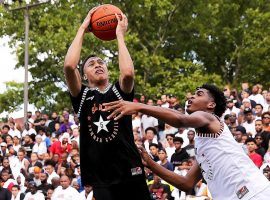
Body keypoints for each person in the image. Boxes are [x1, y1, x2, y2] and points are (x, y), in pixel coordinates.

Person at [103, 84, 270, 199]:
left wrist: (139, 106)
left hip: (252, 193)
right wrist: (149, 163)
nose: (191, 97)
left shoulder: (210, 118)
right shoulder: (203, 143)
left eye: (198, 94)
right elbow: (186, 183)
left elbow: (181, 120)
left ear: (211, 104)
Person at [63, 7, 150, 200]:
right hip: (100, 175)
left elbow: (128, 73)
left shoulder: (119, 91)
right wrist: (83, 27)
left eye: (101, 62)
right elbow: (69, 65)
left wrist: (119, 35)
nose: (98, 65)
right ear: (84, 75)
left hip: (129, 167)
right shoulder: (82, 95)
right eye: (91, 64)